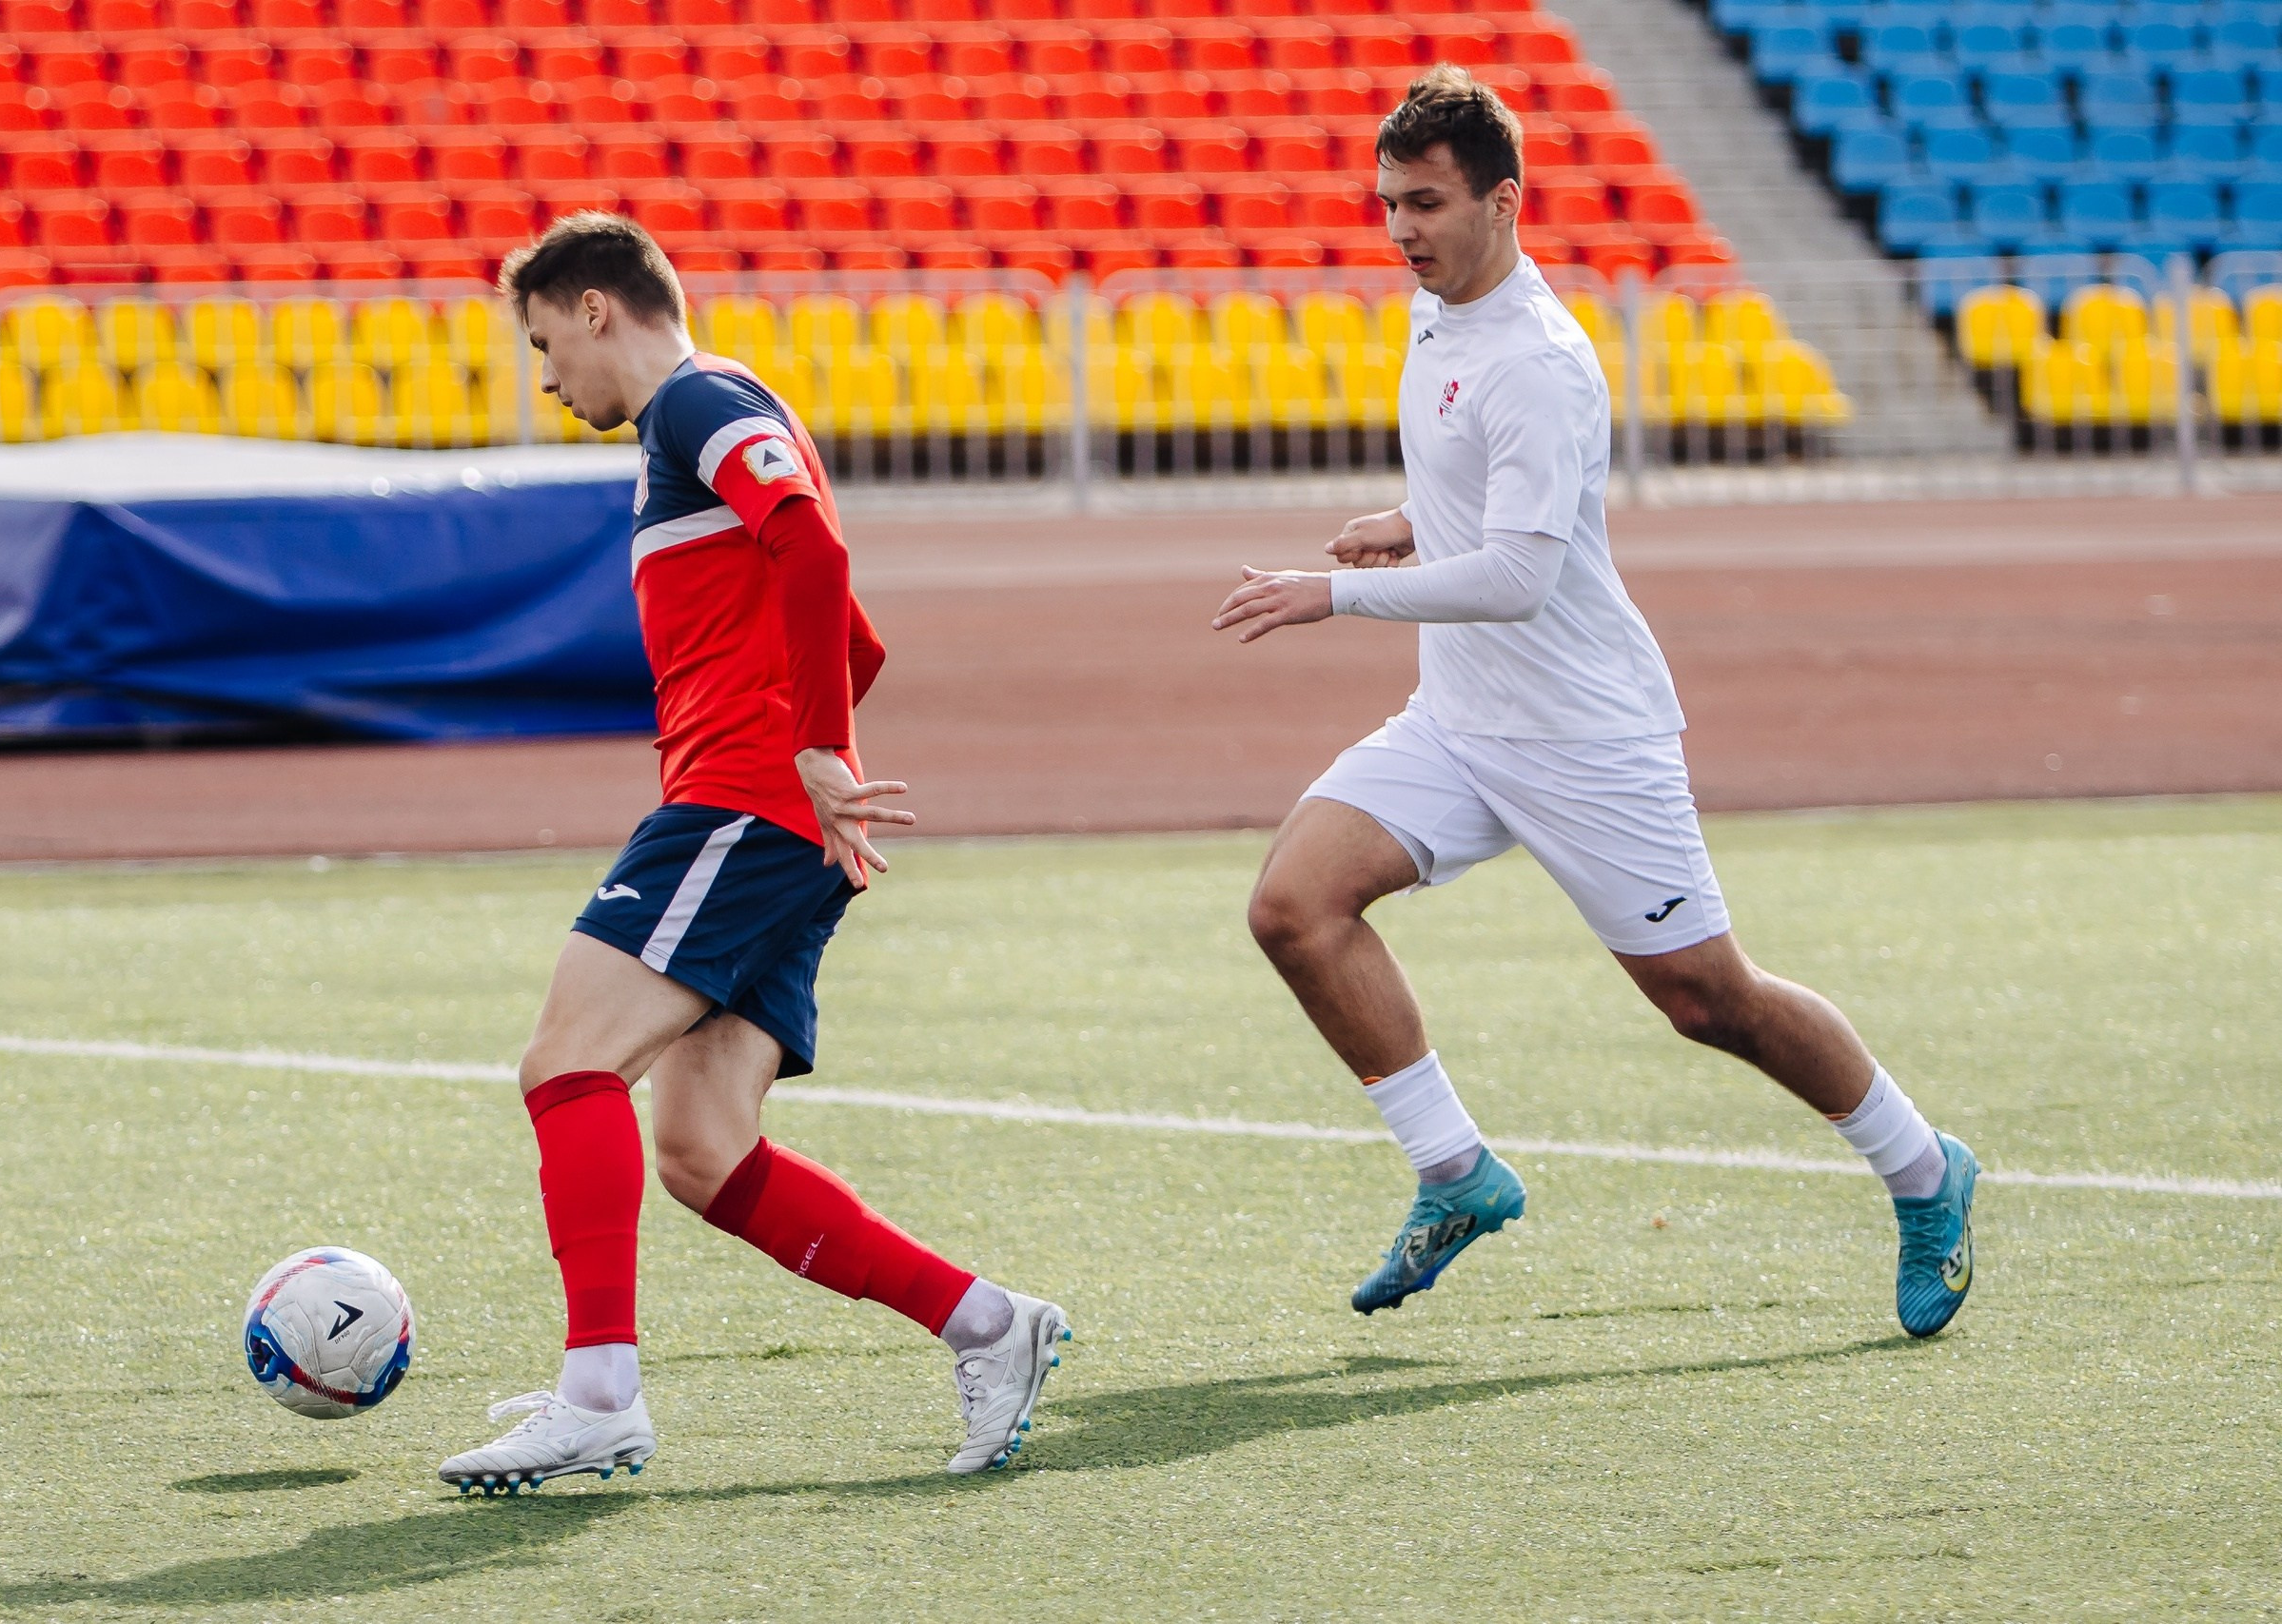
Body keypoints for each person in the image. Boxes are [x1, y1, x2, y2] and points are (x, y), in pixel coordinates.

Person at [1210, 68, 1977, 1340]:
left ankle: (1922, 1167)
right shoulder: (1441, 311)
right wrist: (1416, 520)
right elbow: (1507, 503)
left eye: (1428, 204)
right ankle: (1456, 1173)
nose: (1402, 229)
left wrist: (1324, 596)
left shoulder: (1540, 360)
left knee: (1707, 1000)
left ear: (1504, 201)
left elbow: (1522, 574)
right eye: (1390, 202)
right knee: (1296, 906)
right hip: (1461, 721)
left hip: (1584, 733)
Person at [440, 214, 1069, 1494]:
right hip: (772, 814)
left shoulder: (695, 402)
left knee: (567, 1066)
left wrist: (810, 754)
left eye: (549, 344)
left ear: (600, 309)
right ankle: (990, 1325)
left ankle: (599, 1395)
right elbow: (853, 628)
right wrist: (815, 753)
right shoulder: (719, 413)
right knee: (703, 1151)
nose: (551, 381)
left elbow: (816, 548)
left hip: (742, 805)